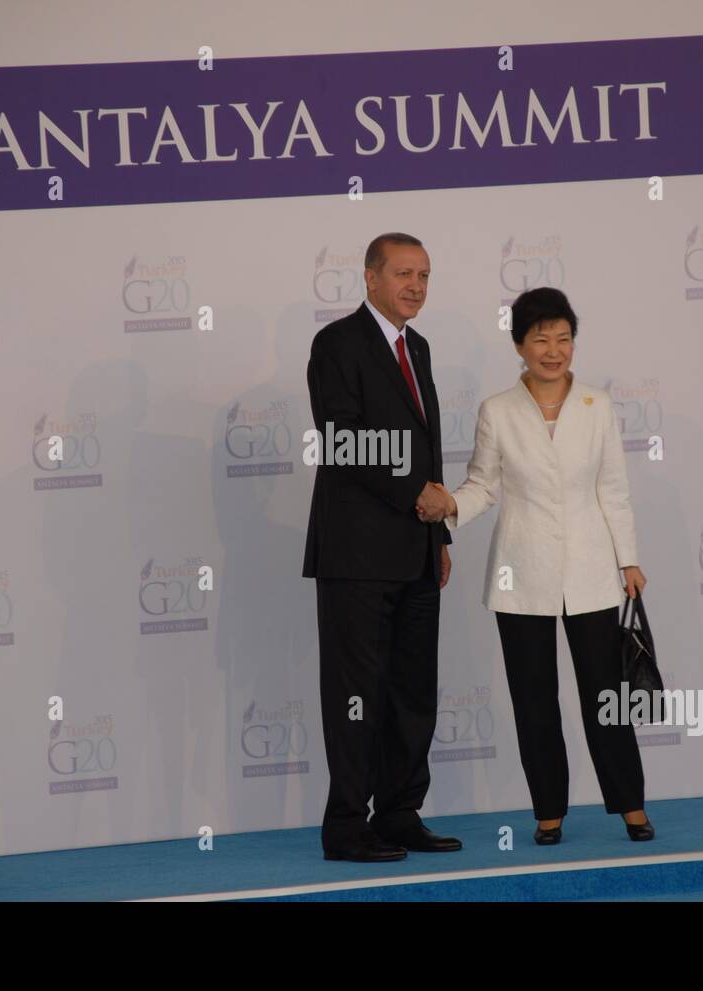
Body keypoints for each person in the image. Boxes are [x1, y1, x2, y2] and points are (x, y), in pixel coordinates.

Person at [416, 286, 654, 845]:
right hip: (519, 574)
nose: (554, 350)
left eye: (564, 338)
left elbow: (613, 489)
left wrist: (629, 559)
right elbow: (483, 485)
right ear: (519, 344)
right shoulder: (497, 411)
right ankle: (549, 813)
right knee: (533, 699)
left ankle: (631, 806)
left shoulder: (598, 405)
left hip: (593, 571)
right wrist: (451, 505)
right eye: (541, 339)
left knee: (606, 696)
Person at [302, 232, 462, 862]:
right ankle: (346, 824)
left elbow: (427, 447)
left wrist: (438, 534)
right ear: (370, 278)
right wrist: (414, 494)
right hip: (357, 557)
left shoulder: (416, 346)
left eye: (424, 275)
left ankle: (399, 814)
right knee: (357, 693)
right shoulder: (336, 343)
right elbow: (342, 441)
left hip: (417, 551)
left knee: (413, 691)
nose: (415, 286)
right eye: (402, 274)